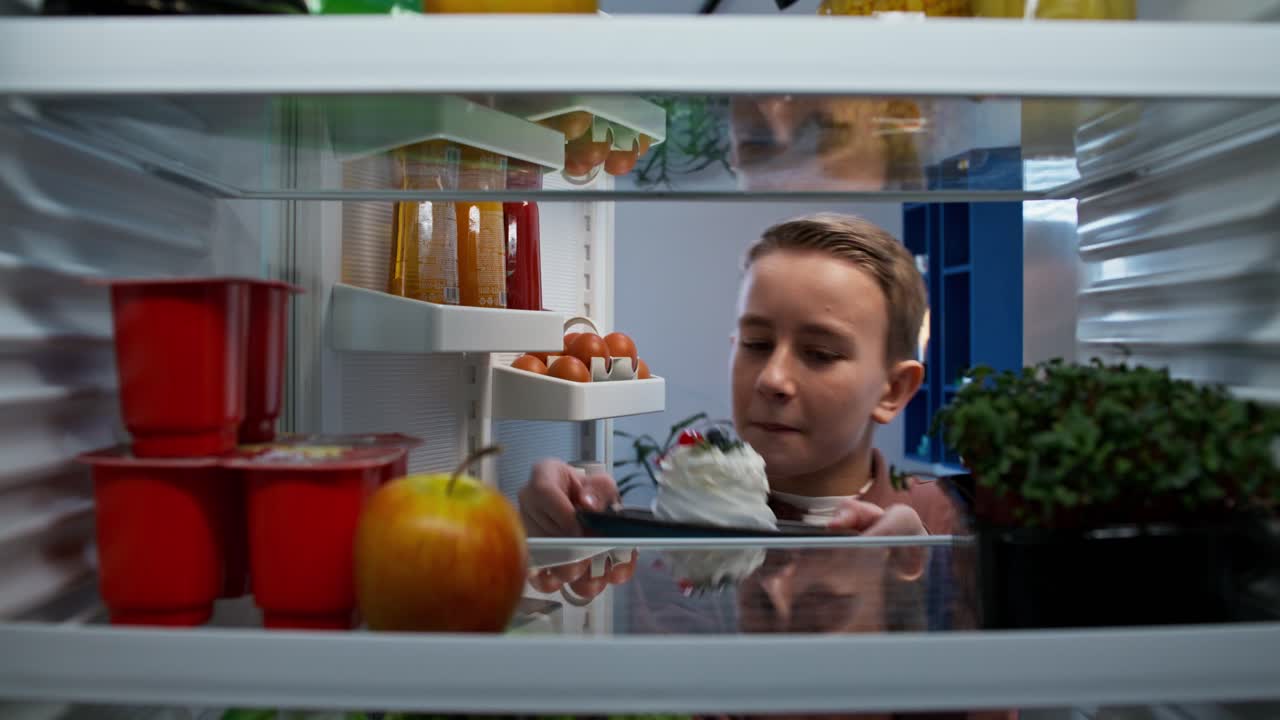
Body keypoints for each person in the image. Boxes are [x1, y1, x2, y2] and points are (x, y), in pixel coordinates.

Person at [520, 212, 957, 541]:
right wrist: (577, 537)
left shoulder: (951, 528)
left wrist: (928, 590)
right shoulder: (683, 534)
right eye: (757, 344)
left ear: (893, 390)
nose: (772, 379)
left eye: (820, 354)